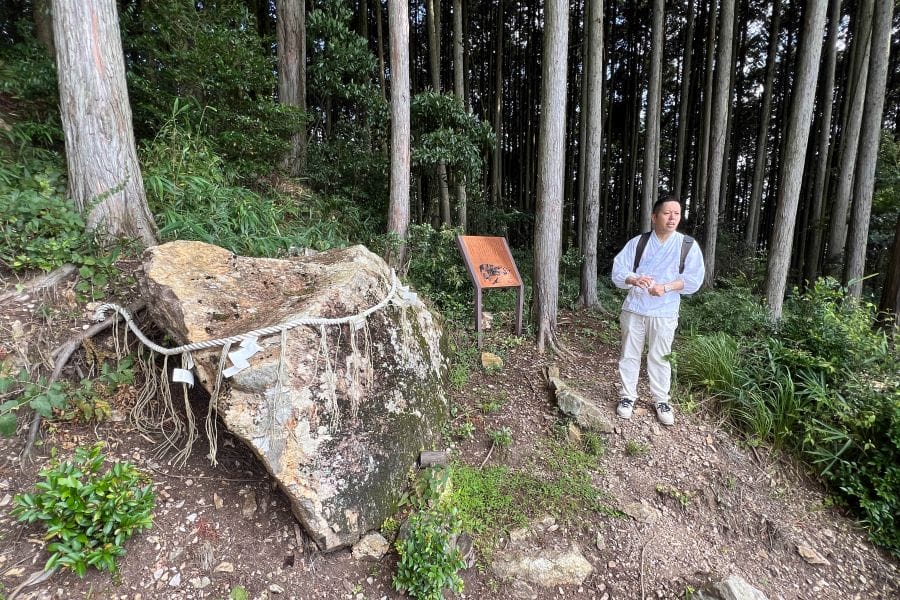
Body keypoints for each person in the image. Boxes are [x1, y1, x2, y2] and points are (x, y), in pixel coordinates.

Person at [611, 196, 705, 426]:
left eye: (676, 213)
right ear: (654, 217)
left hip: (665, 310)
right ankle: (627, 396)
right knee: (629, 354)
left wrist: (667, 287)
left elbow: (694, 279)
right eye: (666, 213)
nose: (672, 218)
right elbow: (618, 271)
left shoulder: (687, 245)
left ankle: (661, 399)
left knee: (660, 357)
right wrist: (635, 279)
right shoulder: (638, 243)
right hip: (635, 308)